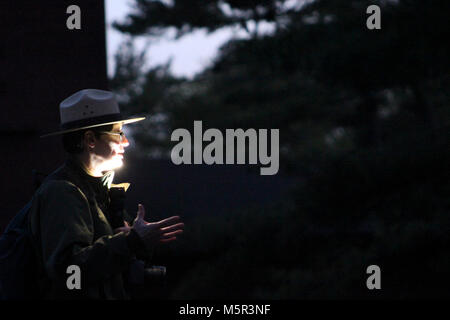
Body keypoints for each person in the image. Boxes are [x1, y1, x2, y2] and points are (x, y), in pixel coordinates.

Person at [28, 89, 184, 299]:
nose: (126, 142)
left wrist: (134, 241)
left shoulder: (97, 191)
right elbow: (69, 274)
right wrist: (132, 242)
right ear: (90, 139)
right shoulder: (62, 192)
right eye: (118, 133)